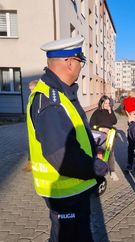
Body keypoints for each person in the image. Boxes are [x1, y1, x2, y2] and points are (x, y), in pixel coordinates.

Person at [26, 36, 108, 242]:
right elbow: (60, 155)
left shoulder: (59, 94)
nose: (81, 67)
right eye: (80, 61)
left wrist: (92, 141)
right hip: (65, 193)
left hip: (72, 189)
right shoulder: (51, 101)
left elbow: (69, 134)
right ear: (69, 62)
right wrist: (96, 167)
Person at [90, 95, 119, 181]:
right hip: (100, 135)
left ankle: (112, 171)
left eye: (108, 103)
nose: (107, 105)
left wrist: (110, 111)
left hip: (110, 134)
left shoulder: (110, 111)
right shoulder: (96, 113)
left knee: (110, 152)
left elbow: (115, 121)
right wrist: (101, 129)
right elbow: (91, 125)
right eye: (105, 103)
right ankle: (99, 170)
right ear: (101, 103)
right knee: (100, 153)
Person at [23, 80, 38, 172]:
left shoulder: (37, 97)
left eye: (32, 89)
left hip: (36, 127)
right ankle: (30, 163)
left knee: (34, 146)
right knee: (30, 145)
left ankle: (32, 164)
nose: (30, 91)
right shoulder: (32, 96)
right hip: (31, 127)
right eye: (30, 89)